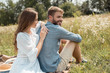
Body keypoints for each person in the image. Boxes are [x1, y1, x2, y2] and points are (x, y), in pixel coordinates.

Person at [37, 6, 85, 72]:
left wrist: (63, 39)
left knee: (60, 40)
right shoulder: (57, 29)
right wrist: (71, 38)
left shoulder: (41, 28)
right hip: (54, 68)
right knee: (73, 41)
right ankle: (79, 61)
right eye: (58, 17)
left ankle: (76, 60)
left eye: (62, 17)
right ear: (50, 17)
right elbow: (78, 38)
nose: (61, 19)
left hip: (41, 68)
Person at [9, 8, 48, 73]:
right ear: (29, 21)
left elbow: (40, 22)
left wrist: (43, 24)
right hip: (23, 65)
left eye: (37, 19)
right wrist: (42, 39)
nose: (37, 21)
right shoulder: (21, 36)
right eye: (35, 20)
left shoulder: (32, 29)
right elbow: (34, 55)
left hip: (33, 64)